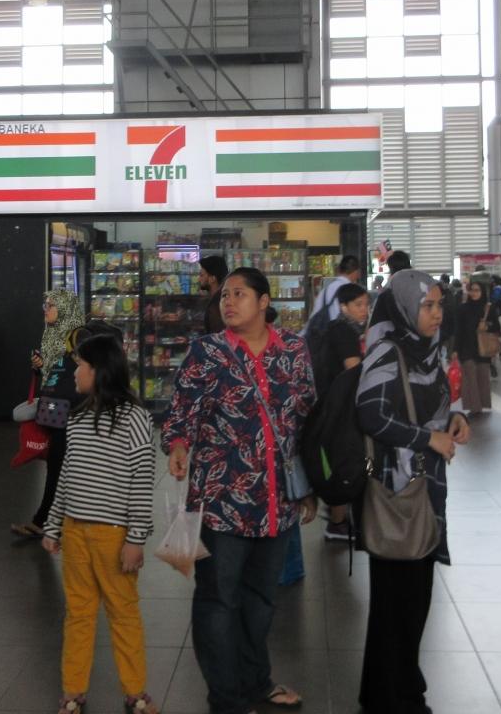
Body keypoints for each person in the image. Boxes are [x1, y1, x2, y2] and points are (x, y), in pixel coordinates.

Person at [162, 267, 317, 714]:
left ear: (264, 301)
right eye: (225, 295)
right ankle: (226, 698)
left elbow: (306, 419)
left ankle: (256, 681)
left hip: (276, 500)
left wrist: (308, 486)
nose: (228, 302)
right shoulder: (207, 352)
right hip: (221, 498)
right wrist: (178, 445)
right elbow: (181, 412)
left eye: (239, 294)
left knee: (261, 600)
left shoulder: (293, 349)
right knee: (218, 600)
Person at [355, 269, 470, 714]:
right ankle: (390, 696)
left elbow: (435, 402)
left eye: (439, 305)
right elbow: (371, 414)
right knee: (395, 601)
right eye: (427, 306)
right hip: (397, 489)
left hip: (425, 487)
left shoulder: (429, 350)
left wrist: (454, 419)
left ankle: (402, 686)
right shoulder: (388, 350)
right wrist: (428, 438)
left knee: (415, 597)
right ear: (404, 308)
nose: (437, 314)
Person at [42, 332, 159, 714]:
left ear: (99, 370)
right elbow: (66, 475)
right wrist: (53, 525)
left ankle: (135, 692)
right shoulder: (76, 418)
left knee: (123, 613)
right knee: (78, 613)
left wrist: (136, 538)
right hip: (75, 530)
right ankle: (73, 692)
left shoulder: (136, 418)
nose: (75, 372)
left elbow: (142, 480)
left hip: (115, 536)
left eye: (80, 365)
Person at [11, 289, 85, 539]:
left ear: (64, 309)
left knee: (59, 467)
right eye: (46, 304)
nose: (46, 309)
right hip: (57, 410)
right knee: (57, 467)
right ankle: (46, 521)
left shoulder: (78, 336)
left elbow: (85, 371)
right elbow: (53, 376)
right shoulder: (53, 335)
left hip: (74, 412)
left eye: (51, 305)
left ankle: (46, 521)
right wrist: (39, 368)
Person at [318, 282, 369, 542]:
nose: (364, 310)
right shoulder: (344, 332)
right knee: (342, 462)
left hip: (332, 405)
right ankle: (337, 523)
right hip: (338, 408)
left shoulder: (339, 328)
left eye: (367, 304)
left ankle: (338, 516)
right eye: (358, 305)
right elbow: (354, 369)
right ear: (343, 307)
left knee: (340, 460)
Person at [454, 279, 500, 415]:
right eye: (471, 290)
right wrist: (455, 349)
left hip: (483, 347)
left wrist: (487, 326)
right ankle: (475, 408)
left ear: (483, 292)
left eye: (477, 290)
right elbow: (458, 330)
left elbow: (497, 327)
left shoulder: (488, 308)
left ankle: (482, 404)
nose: (474, 293)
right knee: (470, 378)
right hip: (466, 348)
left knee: (482, 377)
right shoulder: (462, 308)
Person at [309, 254, 362, 325]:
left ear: (339, 270)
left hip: (321, 330)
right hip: (338, 330)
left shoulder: (325, 290)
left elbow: (314, 315)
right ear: (356, 272)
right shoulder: (350, 291)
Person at [198, 255, 228, 334]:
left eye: (202, 275)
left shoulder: (217, 304)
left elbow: (217, 336)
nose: (199, 279)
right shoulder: (219, 299)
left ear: (212, 279)